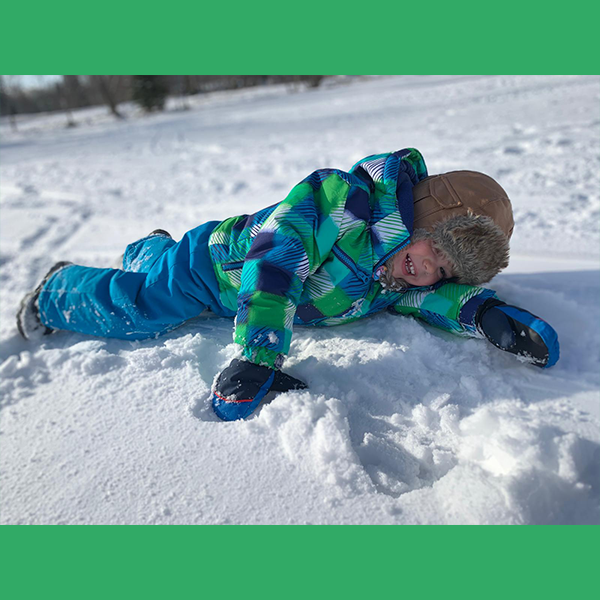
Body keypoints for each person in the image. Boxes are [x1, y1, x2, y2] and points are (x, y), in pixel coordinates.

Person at [17, 148, 559, 420]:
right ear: (419, 216)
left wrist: (483, 314)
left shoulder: (399, 270)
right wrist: (258, 353)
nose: (428, 269)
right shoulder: (339, 199)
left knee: (153, 265)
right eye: (434, 250)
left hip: (236, 278)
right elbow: (278, 262)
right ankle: (56, 290)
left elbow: (425, 296)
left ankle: (149, 247)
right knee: (145, 307)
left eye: (446, 268)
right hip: (215, 267)